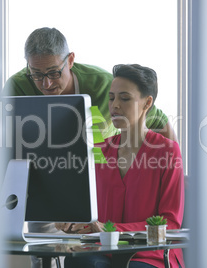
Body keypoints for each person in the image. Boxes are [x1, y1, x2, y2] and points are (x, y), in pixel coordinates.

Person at [57, 64, 185, 268]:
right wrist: (73, 221)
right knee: (79, 264)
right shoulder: (97, 151)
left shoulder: (167, 151)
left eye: (124, 98)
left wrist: (109, 229)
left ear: (147, 103)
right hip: (104, 252)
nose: (114, 105)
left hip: (150, 255)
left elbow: (169, 223)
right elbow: (86, 209)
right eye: (111, 98)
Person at [2, 27, 177, 141]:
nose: (46, 84)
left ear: (70, 60)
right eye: (36, 74)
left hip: (101, 174)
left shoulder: (105, 85)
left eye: (54, 72)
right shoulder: (17, 88)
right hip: (38, 177)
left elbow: (158, 120)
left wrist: (175, 176)